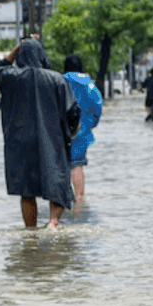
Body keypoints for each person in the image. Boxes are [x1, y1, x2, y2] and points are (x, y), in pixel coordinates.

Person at [0, 38, 80, 229]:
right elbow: (73, 110)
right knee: (58, 181)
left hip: (19, 142)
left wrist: (17, 48)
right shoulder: (57, 79)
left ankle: (30, 230)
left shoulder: (10, 77)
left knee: (26, 189)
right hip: (52, 139)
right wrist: (72, 131)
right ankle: (53, 222)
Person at [62, 54, 103, 203]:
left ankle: (60, 200)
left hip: (60, 129)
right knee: (77, 165)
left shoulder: (60, 80)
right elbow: (98, 106)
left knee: (59, 164)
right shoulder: (89, 84)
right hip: (81, 131)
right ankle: (79, 201)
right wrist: (91, 124)